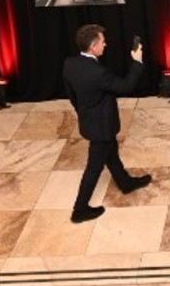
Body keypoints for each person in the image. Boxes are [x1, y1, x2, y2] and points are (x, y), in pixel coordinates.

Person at [64, 24, 151, 223]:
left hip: (91, 122)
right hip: (101, 127)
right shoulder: (98, 72)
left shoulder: (70, 64)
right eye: (103, 41)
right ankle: (79, 210)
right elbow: (126, 86)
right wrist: (137, 62)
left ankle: (125, 183)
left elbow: (72, 96)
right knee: (94, 167)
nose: (106, 44)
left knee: (111, 152)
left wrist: (84, 114)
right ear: (93, 46)